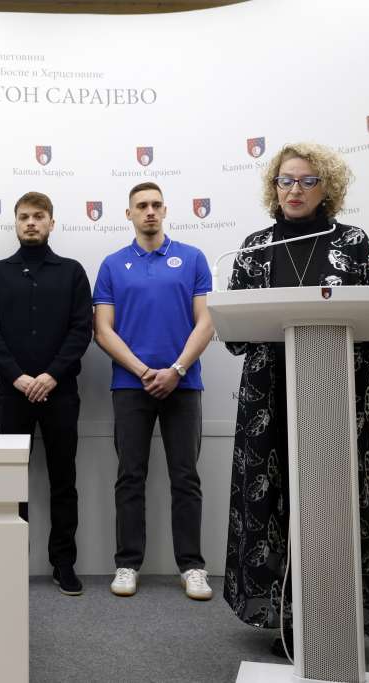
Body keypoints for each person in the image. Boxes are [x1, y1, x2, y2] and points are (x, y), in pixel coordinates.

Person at [223, 142, 369, 654]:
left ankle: (337, 615)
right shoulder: (254, 248)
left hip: (338, 393)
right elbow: (234, 333)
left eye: (306, 181)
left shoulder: (353, 242)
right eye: (285, 180)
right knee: (275, 505)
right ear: (273, 187)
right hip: (269, 398)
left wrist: (334, 355)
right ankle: (287, 617)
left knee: (336, 506)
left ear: (328, 188)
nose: (293, 190)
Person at [93, 182, 214, 600]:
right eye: (141, 206)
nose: (149, 211)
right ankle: (127, 564)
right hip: (131, 385)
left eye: (156, 205)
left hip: (184, 384)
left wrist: (176, 369)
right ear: (128, 214)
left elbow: (206, 322)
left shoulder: (192, 258)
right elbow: (102, 330)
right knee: (130, 476)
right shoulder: (112, 265)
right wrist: (144, 370)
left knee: (186, 477)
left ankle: (192, 567)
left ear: (165, 210)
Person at [0, 191, 93, 596]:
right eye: (24, 216)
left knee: (64, 480)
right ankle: (12, 562)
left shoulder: (72, 272)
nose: (31, 222)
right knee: (12, 481)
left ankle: (64, 563)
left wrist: (50, 376)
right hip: (13, 394)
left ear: (51, 223)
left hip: (60, 394)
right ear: (15, 222)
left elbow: (81, 330)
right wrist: (19, 378)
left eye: (39, 216)